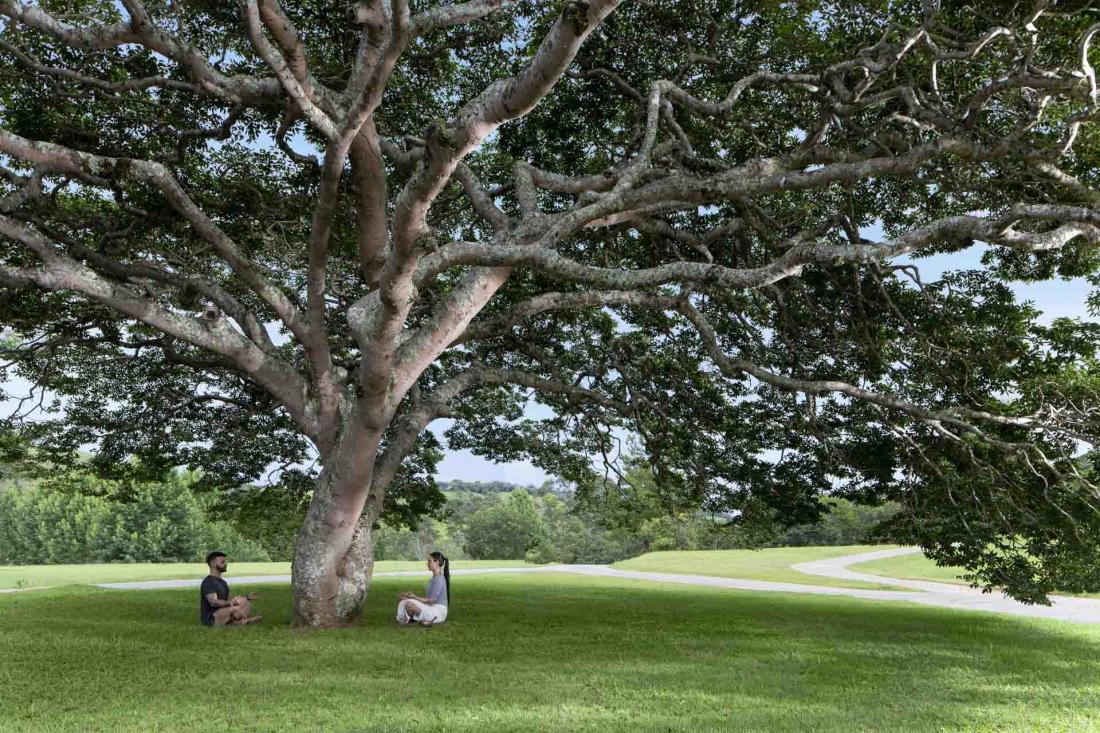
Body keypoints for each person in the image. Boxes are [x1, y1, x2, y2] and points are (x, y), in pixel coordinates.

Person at [200, 551, 262, 627]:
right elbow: (213, 602)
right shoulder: (208, 581)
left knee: (247, 604)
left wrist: (247, 597)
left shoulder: (222, 582)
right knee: (233, 609)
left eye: (225, 562)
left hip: (224, 611)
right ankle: (242, 621)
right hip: (212, 616)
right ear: (213, 564)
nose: (225, 564)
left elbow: (228, 598)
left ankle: (236, 622)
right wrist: (230, 603)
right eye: (222, 562)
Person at [396, 551, 450, 627]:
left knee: (408, 604)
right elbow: (428, 600)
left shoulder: (439, 579)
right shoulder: (434, 578)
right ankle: (413, 618)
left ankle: (412, 618)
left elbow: (431, 600)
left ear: (437, 563)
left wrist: (414, 597)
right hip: (432, 607)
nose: (427, 563)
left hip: (438, 611)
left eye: (429, 561)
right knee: (405, 601)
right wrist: (409, 597)